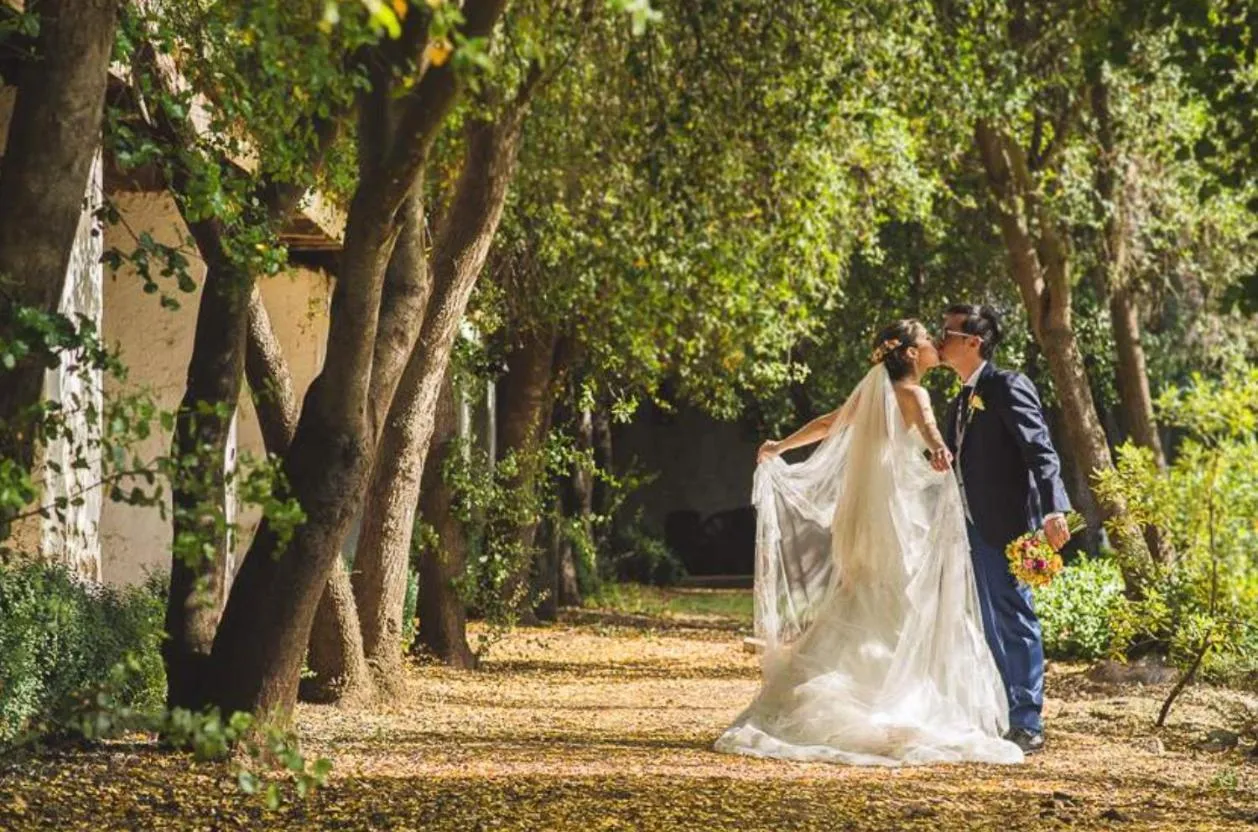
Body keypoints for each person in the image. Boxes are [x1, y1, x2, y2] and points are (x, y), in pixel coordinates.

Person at [714, 319, 1022, 766]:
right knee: (905, 595)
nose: (936, 343)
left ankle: (850, 681)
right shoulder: (914, 393)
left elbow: (828, 424)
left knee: (865, 592)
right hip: (897, 511)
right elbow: (929, 428)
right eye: (927, 339)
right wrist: (939, 449)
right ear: (911, 353)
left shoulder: (872, 394)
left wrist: (781, 445)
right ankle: (894, 692)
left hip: (865, 514)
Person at [936, 304, 1071, 755]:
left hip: (1007, 524)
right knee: (988, 622)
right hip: (968, 527)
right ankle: (1004, 712)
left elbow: (1041, 451)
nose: (940, 340)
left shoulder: (1007, 385)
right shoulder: (959, 399)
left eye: (948, 333)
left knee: (1015, 618)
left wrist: (1053, 510)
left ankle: (1028, 722)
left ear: (973, 342)